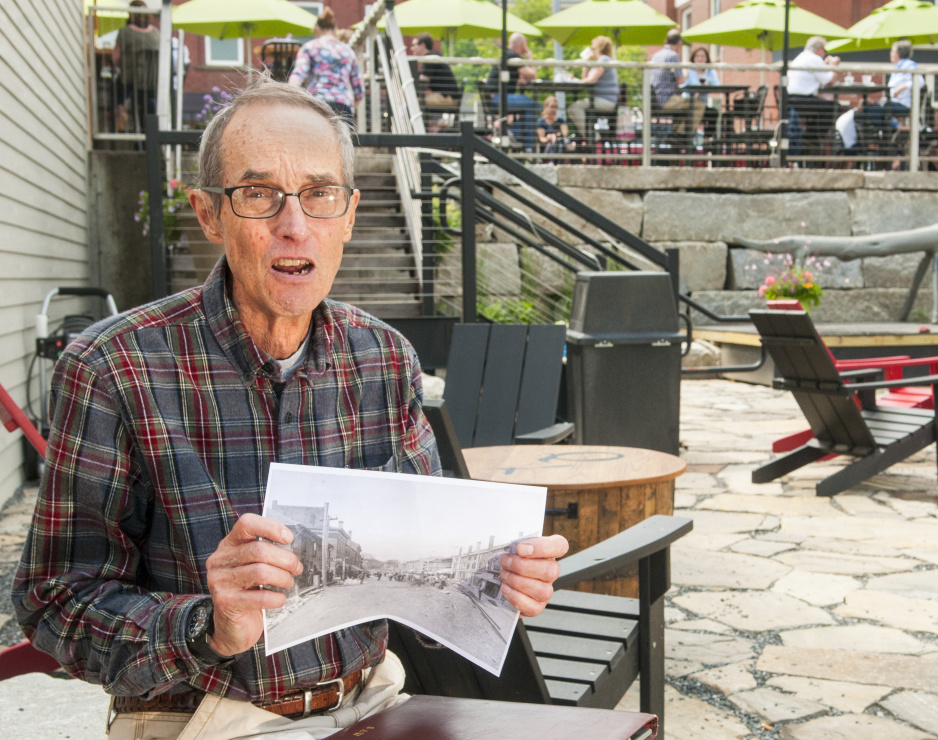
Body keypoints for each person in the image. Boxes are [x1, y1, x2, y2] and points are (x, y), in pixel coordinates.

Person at [11, 77, 568, 740]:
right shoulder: (114, 367)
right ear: (209, 213)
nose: (295, 225)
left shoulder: (384, 357)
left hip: (374, 697)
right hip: (206, 715)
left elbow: (426, 546)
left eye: (319, 194)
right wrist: (205, 627)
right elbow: (54, 606)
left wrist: (499, 574)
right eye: (258, 194)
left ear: (351, 214)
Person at [288, 8, 365, 127]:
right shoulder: (348, 51)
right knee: (342, 145)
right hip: (343, 107)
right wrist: (349, 107)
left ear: (317, 30)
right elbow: (359, 92)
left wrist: (291, 99)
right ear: (335, 30)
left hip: (317, 105)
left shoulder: (309, 47)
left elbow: (298, 76)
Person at [786, 36, 841, 157]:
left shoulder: (801, 57)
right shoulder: (814, 59)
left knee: (821, 107)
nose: (824, 53)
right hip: (803, 99)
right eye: (824, 50)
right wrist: (835, 66)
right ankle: (814, 136)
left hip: (791, 99)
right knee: (834, 107)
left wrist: (825, 65)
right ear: (819, 49)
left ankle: (812, 135)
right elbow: (829, 80)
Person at [485, 32, 540, 151]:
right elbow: (532, 75)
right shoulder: (513, 56)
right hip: (499, 98)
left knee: (529, 106)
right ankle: (527, 147)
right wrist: (530, 57)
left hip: (495, 97)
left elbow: (521, 76)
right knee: (534, 105)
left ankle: (516, 136)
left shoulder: (506, 55)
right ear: (522, 45)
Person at [113, 0, 159, 134]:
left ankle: (121, 111)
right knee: (146, 97)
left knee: (117, 85)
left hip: (130, 80)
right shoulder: (156, 33)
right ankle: (153, 116)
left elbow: (115, 57)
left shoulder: (125, 32)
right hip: (152, 83)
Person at [651, 30, 704, 140]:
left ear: (665, 41)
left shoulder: (655, 56)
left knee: (686, 107)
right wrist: (686, 71)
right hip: (667, 100)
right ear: (679, 43)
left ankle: (675, 134)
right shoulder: (673, 55)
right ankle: (681, 136)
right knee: (698, 105)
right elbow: (681, 80)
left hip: (654, 100)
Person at [566, 36, 619, 138]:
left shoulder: (604, 59)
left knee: (574, 108)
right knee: (576, 107)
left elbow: (591, 80)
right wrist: (586, 63)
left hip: (606, 101)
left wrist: (577, 82)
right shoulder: (601, 61)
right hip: (600, 100)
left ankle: (593, 138)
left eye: (593, 48)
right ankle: (590, 138)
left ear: (599, 48)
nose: (591, 51)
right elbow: (586, 79)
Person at [410, 33, 461, 132]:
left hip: (447, 98)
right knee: (419, 101)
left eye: (414, 45)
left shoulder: (430, 57)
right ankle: (432, 128)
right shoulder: (433, 56)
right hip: (448, 96)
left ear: (422, 45)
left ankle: (423, 131)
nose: (412, 48)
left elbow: (423, 81)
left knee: (413, 102)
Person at [680, 47, 720, 138]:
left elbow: (717, 87)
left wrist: (708, 85)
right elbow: (682, 87)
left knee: (713, 113)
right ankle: (688, 142)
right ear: (693, 58)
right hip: (690, 105)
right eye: (697, 56)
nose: (700, 58)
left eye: (703, 56)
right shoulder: (689, 71)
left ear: (707, 58)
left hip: (702, 106)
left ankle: (708, 140)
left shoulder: (710, 72)